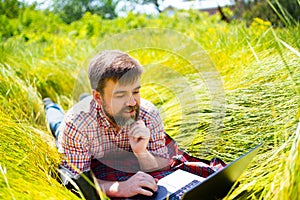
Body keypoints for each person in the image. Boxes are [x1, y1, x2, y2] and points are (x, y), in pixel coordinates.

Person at [44, 50, 226, 199]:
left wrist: (142, 152)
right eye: (121, 95)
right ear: (98, 97)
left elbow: (161, 163)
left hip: (100, 118)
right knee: (56, 122)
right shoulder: (77, 123)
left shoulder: (148, 114)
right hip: (78, 130)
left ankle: (85, 98)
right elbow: (76, 180)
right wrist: (119, 188)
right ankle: (49, 104)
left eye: (136, 91)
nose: (132, 102)